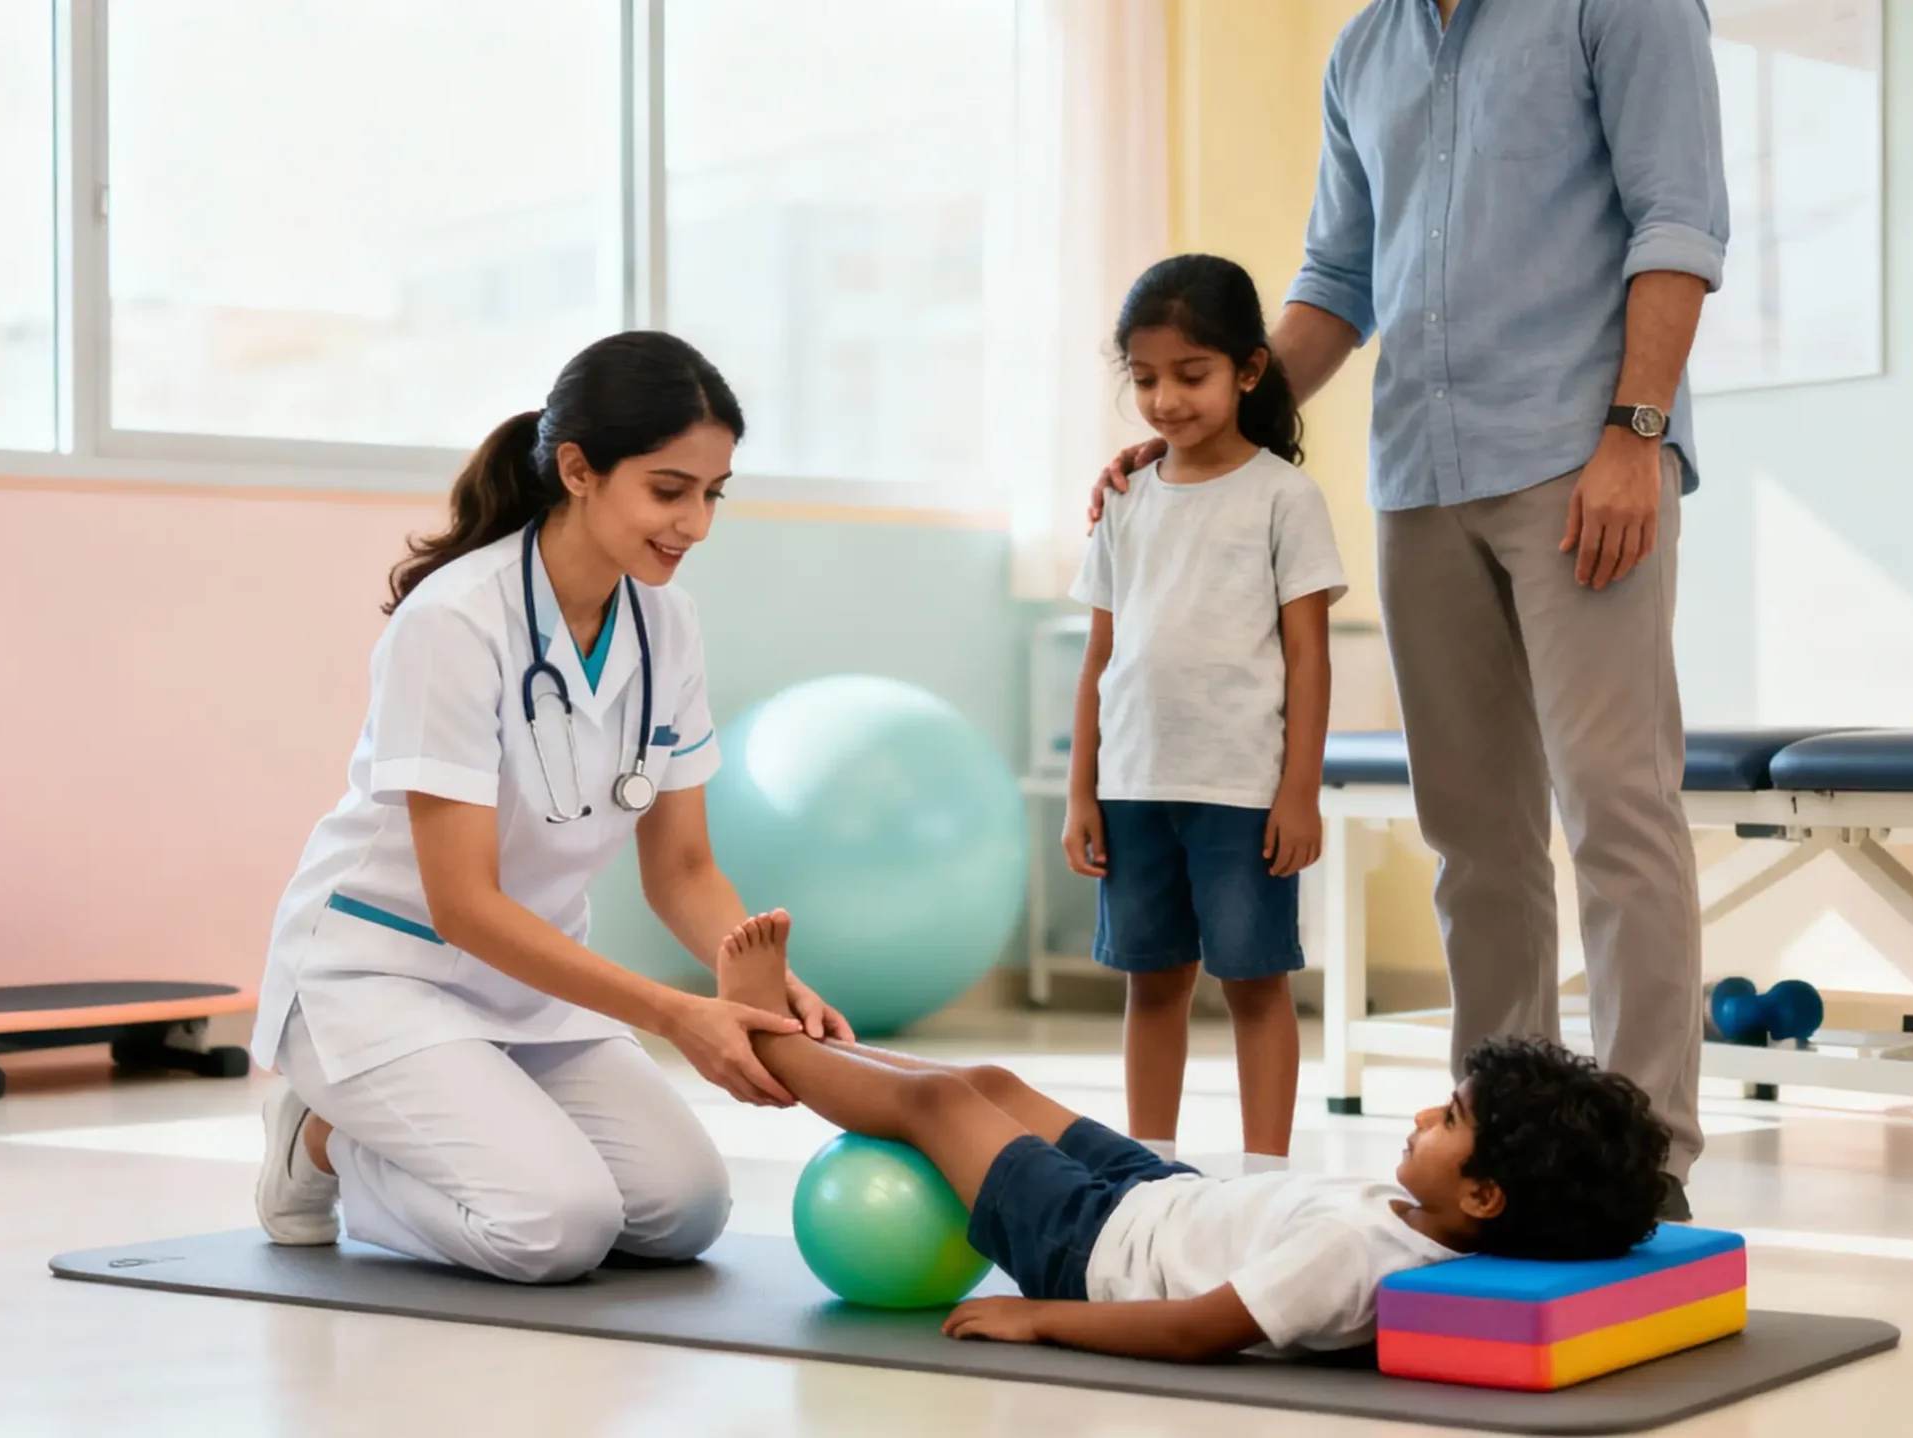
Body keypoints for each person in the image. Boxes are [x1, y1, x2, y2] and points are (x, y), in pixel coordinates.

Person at [1091, 0, 1728, 1217]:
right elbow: (1336, 280)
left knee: (1614, 812)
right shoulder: (1362, 50)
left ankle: (1645, 1167)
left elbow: (1678, 220)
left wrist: (1635, 434)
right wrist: (1203, 434)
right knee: (1474, 840)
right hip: (1419, 479)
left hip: (1578, 459)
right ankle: (1494, 1144)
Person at [249, 332, 854, 1286]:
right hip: (378, 977)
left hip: (532, 985)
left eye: (713, 493)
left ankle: (415, 1120)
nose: (695, 523)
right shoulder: (455, 621)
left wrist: (761, 987)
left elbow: (684, 870)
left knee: (682, 1211)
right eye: (669, 489)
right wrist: (673, 1014)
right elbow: (461, 904)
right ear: (578, 469)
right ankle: (325, 1142)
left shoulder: (667, 625)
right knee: (553, 1230)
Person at [714, 910, 1671, 1360]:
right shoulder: (1427, 1219)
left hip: (1091, 1250)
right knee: (993, 1082)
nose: (1424, 1117)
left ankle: (761, 1039)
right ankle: (812, 1045)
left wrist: (1040, 1315)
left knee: (943, 1109)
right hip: (1153, 1193)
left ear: (1484, 1197)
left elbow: (1192, 1328)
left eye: (1450, 1121)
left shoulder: (1356, 1257)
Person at [1066, 255, 1348, 1159]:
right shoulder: (1123, 500)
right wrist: (1084, 793)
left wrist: (1298, 791)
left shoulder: (1284, 498)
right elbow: (1100, 658)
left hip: (1240, 792)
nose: (1166, 401)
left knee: (1255, 983)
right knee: (1152, 984)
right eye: (1145, 380)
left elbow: (1308, 656)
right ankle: (1149, 1169)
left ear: (1249, 370)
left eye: (1191, 375)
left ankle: (1265, 1172)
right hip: (1136, 785)